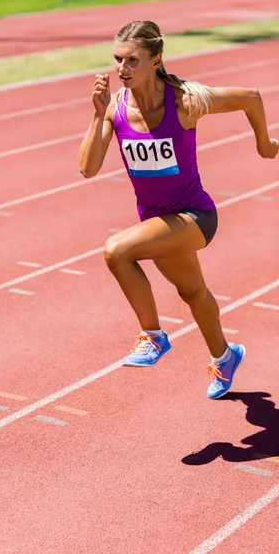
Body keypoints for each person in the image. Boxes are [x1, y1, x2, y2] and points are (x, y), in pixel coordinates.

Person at [78, 20, 278, 400]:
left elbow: (251, 96)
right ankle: (225, 355)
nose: (122, 68)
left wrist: (265, 144)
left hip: (194, 216)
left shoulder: (184, 101)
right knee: (193, 292)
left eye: (133, 60)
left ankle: (152, 337)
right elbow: (87, 169)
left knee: (116, 250)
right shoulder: (115, 109)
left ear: (156, 61)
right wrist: (96, 114)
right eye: (118, 59)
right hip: (157, 222)